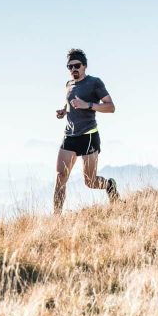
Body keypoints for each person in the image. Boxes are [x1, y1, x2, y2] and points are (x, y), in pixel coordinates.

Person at [54, 48, 118, 214]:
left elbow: (111, 107)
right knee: (60, 177)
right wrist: (64, 111)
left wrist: (87, 105)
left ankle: (109, 185)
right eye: (70, 67)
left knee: (90, 181)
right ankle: (55, 219)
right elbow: (70, 103)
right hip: (70, 135)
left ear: (85, 66)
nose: (73, 69)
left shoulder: (94, 82)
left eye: (77, 65)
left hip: (88, 135)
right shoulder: (68, 84)